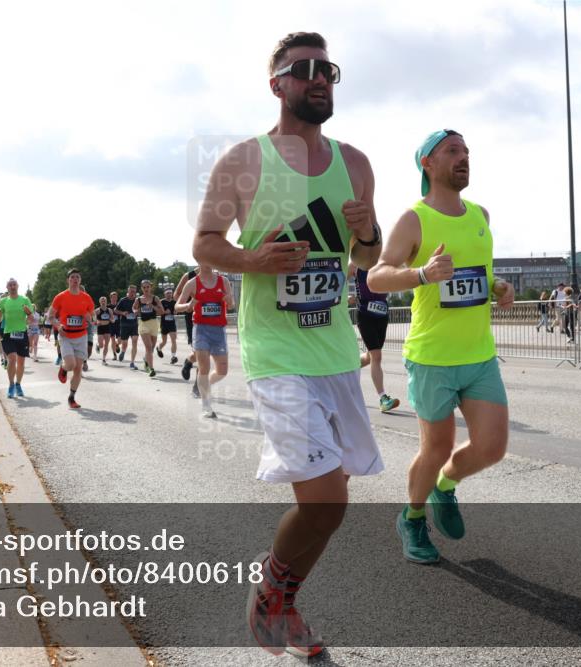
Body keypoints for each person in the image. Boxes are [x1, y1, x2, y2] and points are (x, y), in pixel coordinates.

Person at [193, 32, 384, 658]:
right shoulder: (244, 161)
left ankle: (283, 599)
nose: (320, 79)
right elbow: (206, 244)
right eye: (304, 70)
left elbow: (366, 258)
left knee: (334, 504)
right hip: (277, 355)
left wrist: (370, 233)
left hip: (333, 349)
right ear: (277, 84)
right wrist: (252, 258)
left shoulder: (355, 163)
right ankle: (272, 591)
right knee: (325, 500)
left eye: (328, 69)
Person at [367, 128, 515, 566]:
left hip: (478, 356)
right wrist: (422, 275)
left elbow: (478, 276)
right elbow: (377, 277)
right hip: (432, 358)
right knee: (436, 448)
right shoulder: (414, 219)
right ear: (427, 164)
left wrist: (499, 286)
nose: (463, 157)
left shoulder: (480, 215)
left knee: (492, 447)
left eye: (467, 151)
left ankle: (444, 487)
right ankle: (412, 518)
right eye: (452, 151)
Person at [176, 266, 233, 417]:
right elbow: (177, 305)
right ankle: (206, 405)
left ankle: (203, 385)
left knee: (222, 371)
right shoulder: (192, 283)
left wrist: (229, 301)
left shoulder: (224, 281)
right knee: (204, 367)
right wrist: (188, 306)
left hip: (219, 330)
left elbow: (232, 304)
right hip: (201, 329)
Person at [350, 263, 399, 412]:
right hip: (365, 315)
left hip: (382, 315)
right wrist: (346, 296)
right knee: (376, 356)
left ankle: (347, 367)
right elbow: (337, 281)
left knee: (371, 357)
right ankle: (383, 398)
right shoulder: (355, 265)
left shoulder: (385, 261)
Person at [49, 268, 95, 409]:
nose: (75, 280)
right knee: (70, 365)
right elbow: (50, 316)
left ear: (80, 280)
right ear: (68, 280)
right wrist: (58, 325)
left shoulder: (86, 298)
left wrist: (90, 319)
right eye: (72, 277)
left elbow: (91, 315)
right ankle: (63, 369)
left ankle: (71, 397)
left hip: (81, 335)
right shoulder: (60, 297)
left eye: (77, 277)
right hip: (66, 336)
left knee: (78, 368)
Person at [0, 278, 33, 398]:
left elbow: (30, 320)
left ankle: (18, 384)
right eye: (10, 285)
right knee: (12, 359)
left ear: (18, 286)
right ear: (7, 287)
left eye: (14, 284)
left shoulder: (25, 300)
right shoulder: (3, 301)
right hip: (8, 334)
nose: (12, 286)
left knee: (21, 362)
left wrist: (29, 314)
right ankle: (11, 384)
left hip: (21, 333)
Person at [134, 279, 165, 378]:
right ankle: (152, 369)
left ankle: (146, 360)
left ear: (151, 287)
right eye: (144, 287)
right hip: (143, 324)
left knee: (151, 349)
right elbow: (133, 308)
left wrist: (153, 306)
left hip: (154, 324)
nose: (146, 289)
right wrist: (136, 311)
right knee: (148, 346)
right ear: (141, 288)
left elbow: (162, 311)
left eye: (148, 287)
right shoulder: (138, 299)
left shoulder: (155, 298)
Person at [115, 285, 140, 369]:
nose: (132, 293)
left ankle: (132, 362)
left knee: (135, 340)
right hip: (124, 325)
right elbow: (115, 310)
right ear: (128, 292)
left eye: (134, 292)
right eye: (131, 291)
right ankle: (123, 351)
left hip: (134, 324)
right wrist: (122, 313)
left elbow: (141, 310)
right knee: (124, 344)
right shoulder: (123, 300)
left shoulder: (138, 300)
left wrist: (138, 312)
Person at [156, 288, 180, 364]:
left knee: (174, 340)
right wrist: (164, 312)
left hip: (172, 323)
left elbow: (176, 312)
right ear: (164, 294)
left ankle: (173, 356)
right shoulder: (161, 302)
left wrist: (176, 312)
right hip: (164, 324)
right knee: (164, 341)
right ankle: (159, 348)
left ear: (172, 294)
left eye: (170, 293)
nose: (169, 294)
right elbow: (158, 313)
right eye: (167, 293)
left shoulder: (174, 302)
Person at [95, 296, 114, 365]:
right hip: (100, 328)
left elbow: (113, 319)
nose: (103, 302)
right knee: (101, 345)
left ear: (106, 302)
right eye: (102, 301)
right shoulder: (97, 310)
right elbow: (94, 319)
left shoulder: (109, 310)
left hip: (107, 327)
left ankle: (103, 359)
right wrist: (97, 322)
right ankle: (98, 345)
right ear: (100, 302)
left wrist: (111, 320)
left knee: (106, 344)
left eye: (104, 301)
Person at [107, 291, 121, 360]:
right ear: (110, 298)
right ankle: (114, 355)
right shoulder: (108, 306)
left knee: (120, 340)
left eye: (115, 297)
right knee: (112, 340)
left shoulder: (119, 305)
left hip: (118, 325)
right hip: (111, 325)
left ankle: (117, 344)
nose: (114, 298)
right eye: (113, 297)